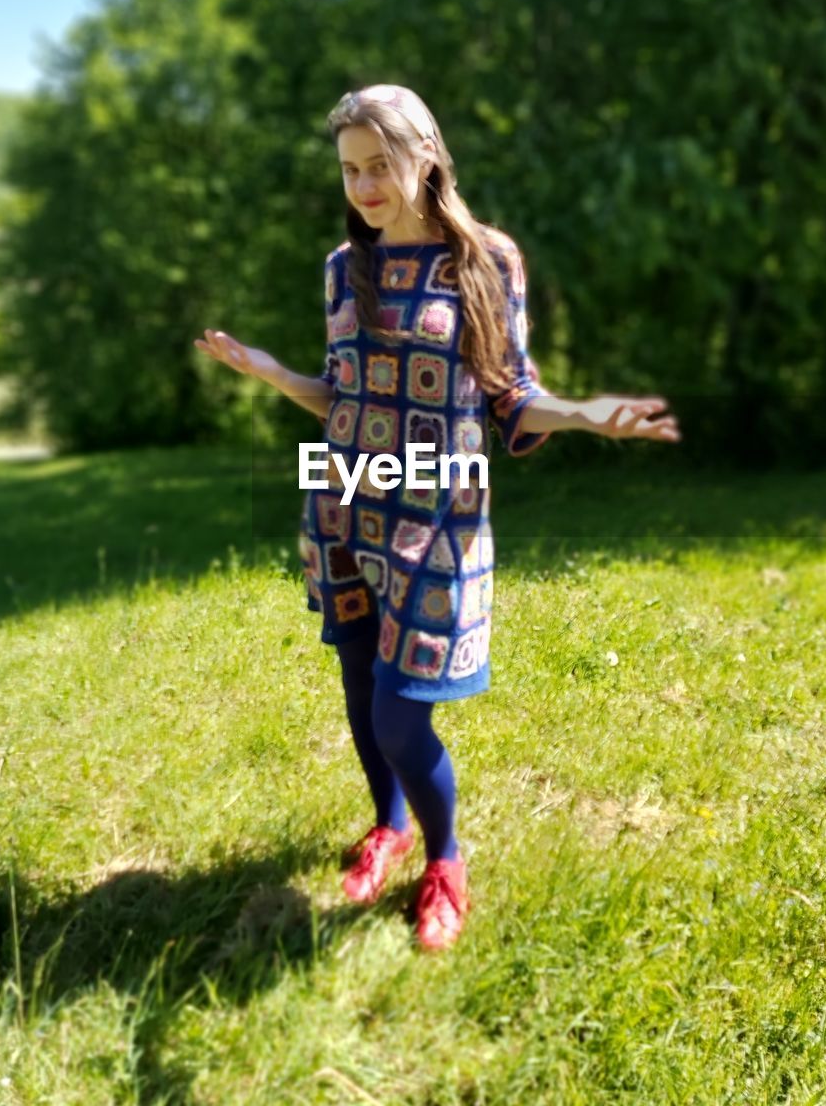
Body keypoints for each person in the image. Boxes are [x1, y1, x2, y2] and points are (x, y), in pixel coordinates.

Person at [195, 83, 681, 951]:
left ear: (428, 155)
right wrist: (273, 374)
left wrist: (578, 414)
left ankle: (445, 859)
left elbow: (509, 395)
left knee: (400, 713)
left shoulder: (488, 261)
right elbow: (345, 396)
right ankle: (390, 826)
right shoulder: (344, 270)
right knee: (357, 682)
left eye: (381, 164)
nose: (366, 186)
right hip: (345, 506)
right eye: (350, 170)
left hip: (435, 520)